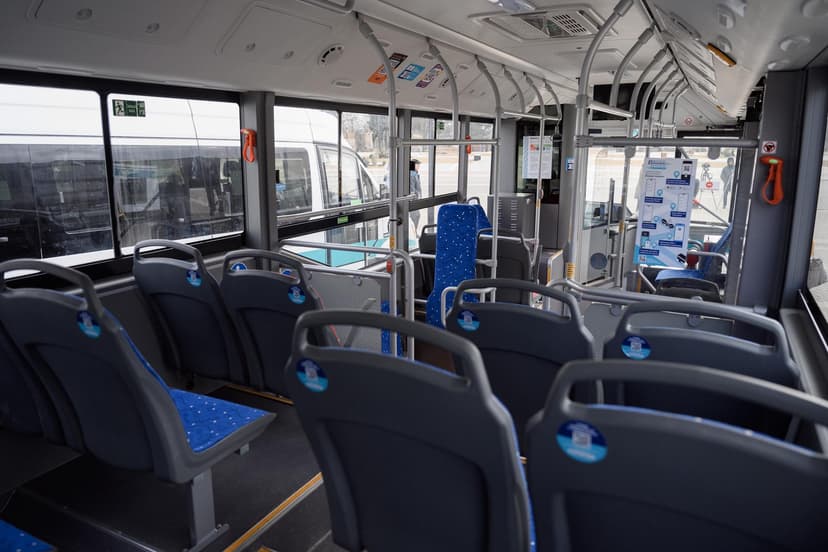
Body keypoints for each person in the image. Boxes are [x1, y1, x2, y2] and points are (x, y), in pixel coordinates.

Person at [409, 159, 421, 230]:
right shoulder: (412, 174)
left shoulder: (415, 173)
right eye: (417, 164)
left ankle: (414, 232)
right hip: (413, 200)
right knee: (416, 216)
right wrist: (415, 200)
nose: (419, 166)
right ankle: (414, 232)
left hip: (415, 198)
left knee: (415, 216)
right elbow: (412, 189)